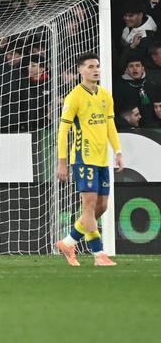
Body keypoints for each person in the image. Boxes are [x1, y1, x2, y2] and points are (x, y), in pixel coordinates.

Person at [54, 52, 124, 267]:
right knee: (89, 205)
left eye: (97, 66)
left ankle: (68, 242)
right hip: (83, 157)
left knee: (101, 206)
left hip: (102, 158)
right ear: (80, 70)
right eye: (91, 66)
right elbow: (63, 131)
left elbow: (110, 125)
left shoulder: (105, 95)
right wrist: (62, 162)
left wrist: (118, 151)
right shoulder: (74, 96)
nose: (96, 70)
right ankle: (99, 254)